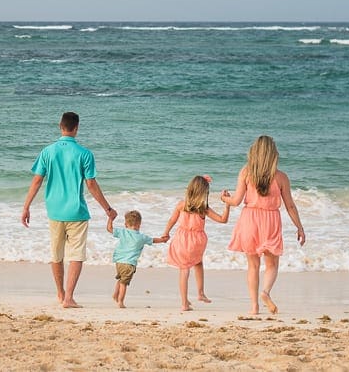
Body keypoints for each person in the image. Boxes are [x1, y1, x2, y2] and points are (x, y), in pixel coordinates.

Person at [21, 112, 117, 308]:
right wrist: (108, 209)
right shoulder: (85, 154)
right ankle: (69, 298)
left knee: (56, 255)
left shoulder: (47, 151)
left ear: (60, 126)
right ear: (77, 127)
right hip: (77, 213)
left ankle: (60, 293)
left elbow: (37, 180)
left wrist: (26, 207)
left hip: (54, 211)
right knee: (76, 255)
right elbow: (91, 185)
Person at [221, 135, 306, 315]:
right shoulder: (281, 177)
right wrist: (300, 227)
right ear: (273, 154)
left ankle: (254, 307)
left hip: (249, 220)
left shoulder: (246, 172)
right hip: (270, 221)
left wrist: (223, 198)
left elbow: (236, 201)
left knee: (252, 266)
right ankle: (265, 292)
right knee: (272, 265)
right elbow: (290, 205)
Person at [162, 175, 231, 311]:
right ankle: (200, 293)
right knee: (198, 263)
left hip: (181, 239)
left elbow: (172, 220)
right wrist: (227, 205)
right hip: (197, 241)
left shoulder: (182, 204)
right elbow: (223, 220)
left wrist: (166, 233)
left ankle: (184, 303)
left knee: (184, 269)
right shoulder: (203, 208)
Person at [106, 210, 168, 308]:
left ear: (126, 224)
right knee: (124, 283)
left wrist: (110, 219)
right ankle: (120, 301)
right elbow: (153, 240)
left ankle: (115, 295)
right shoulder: (141, 237)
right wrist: (163, 240)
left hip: (118, 261)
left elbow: (109, 229)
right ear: (139, 224)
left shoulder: (122, 232)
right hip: (129, 263)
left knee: (120, 279)